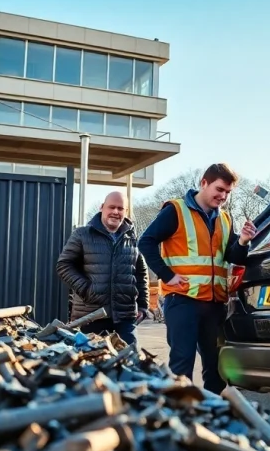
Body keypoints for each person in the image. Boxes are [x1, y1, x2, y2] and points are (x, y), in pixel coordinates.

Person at [137, 163, 256, 394]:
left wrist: (242, 241)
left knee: (216, 367)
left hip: (214, 305)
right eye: (219, 189)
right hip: (183, 301)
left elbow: (232, 256)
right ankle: (180, 421)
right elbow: (146, 241)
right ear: (203, 183)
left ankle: (211, 419)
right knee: (182, 365)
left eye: (228, 193)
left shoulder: (225, 219)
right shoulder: (175, 210)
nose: (223, 196)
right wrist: (167, 275)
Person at [56, 191, 150, 345]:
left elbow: (140, 273)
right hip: (91, 316)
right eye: (111, 207)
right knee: (93, 363)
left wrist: (143, 305)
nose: (115, 212)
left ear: (125, 212)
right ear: (102, 208)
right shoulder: (82, 234)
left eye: (120, 208)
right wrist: (87, 289)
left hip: (125, 318)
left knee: (131, 362)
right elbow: (64, 265)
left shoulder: (131, 238)